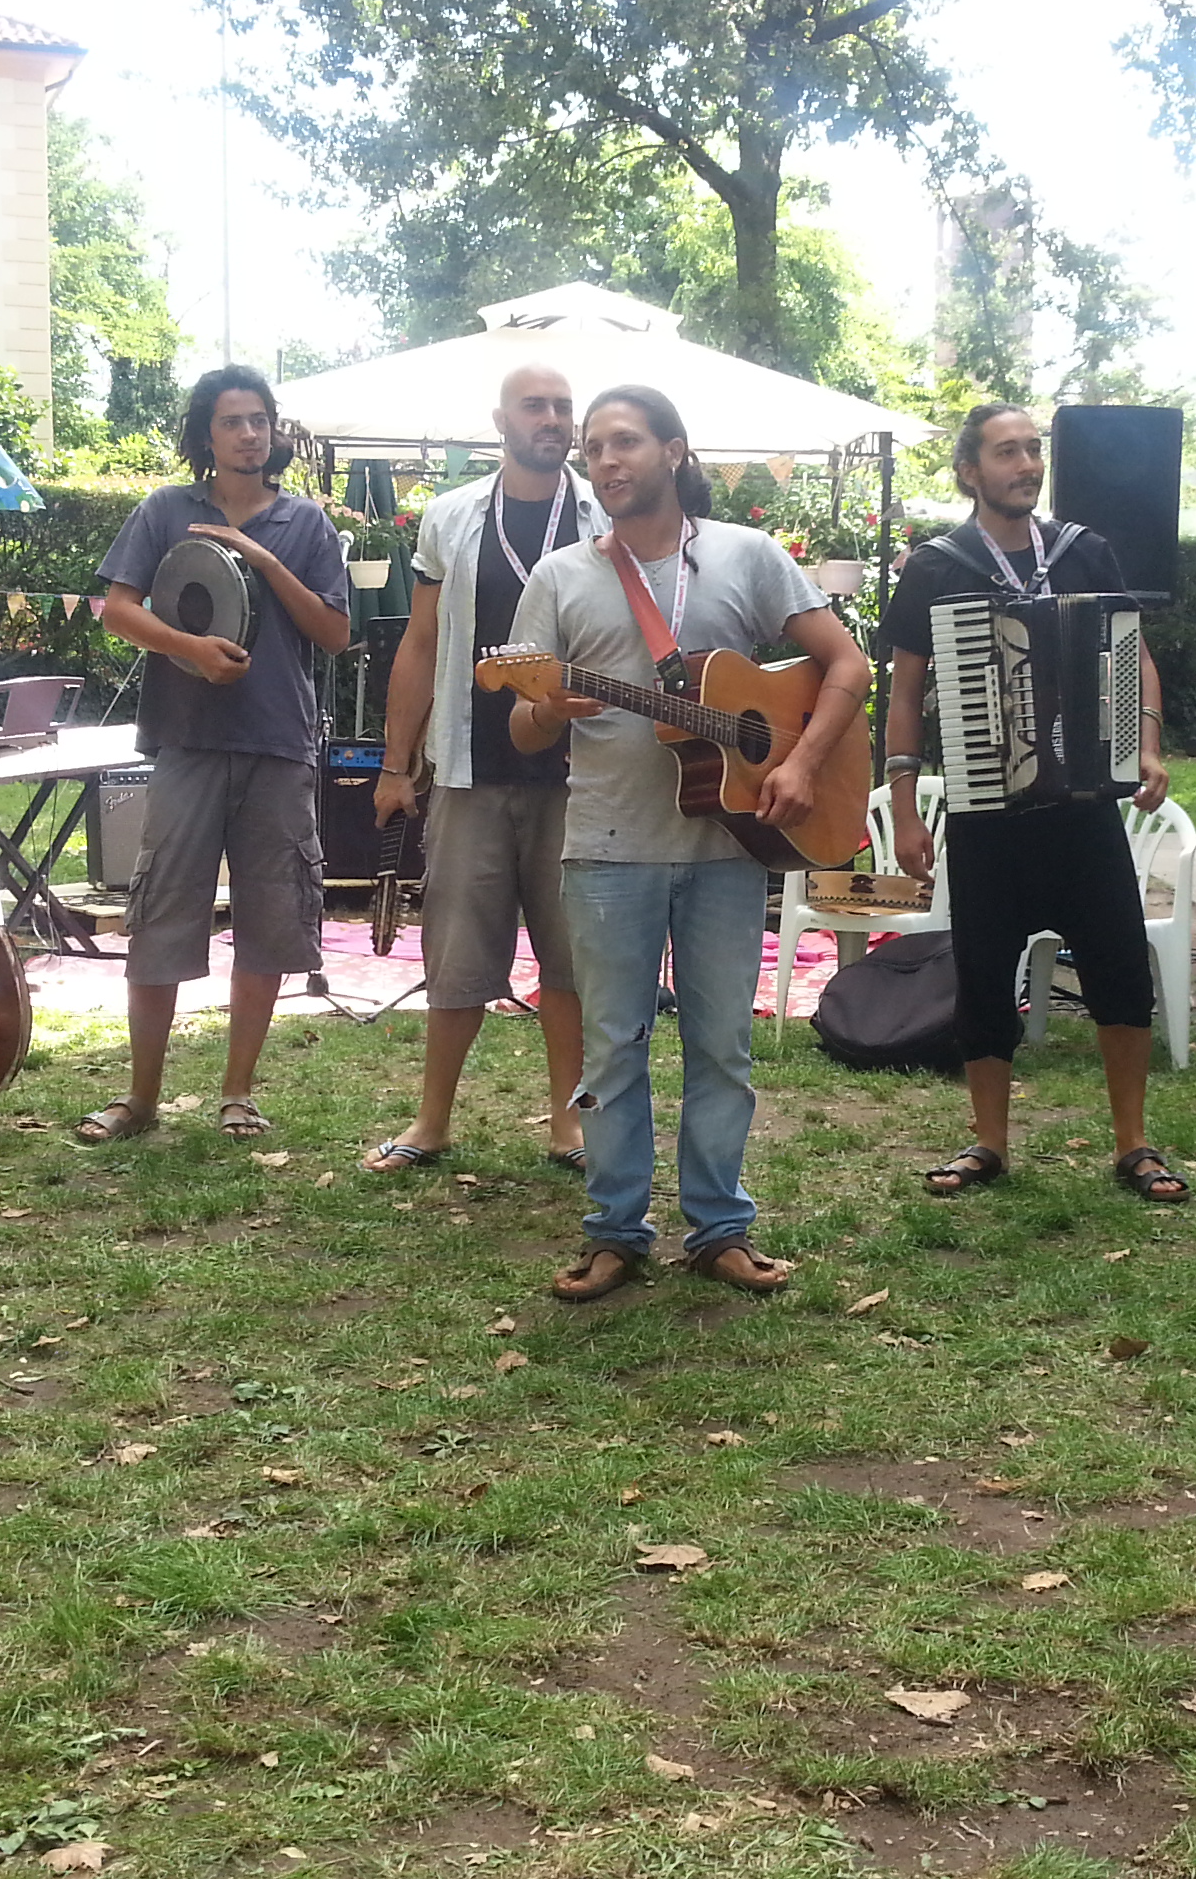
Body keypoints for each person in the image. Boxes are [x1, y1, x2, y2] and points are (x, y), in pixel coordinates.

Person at [506, 385, 870, 1300]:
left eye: (625, 441)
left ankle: (720, 1228)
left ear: (674, 451)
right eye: (594, 447)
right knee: (613, 1046)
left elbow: (848, 666)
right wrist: (546, 705)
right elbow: (520, 727)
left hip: (732, 845)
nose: (607, 459)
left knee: (720, 1048)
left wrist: (797, 763)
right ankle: (614, 1231)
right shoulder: (559, 577)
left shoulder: (747, 556)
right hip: (608, 844)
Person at [877, 401, 1185, 1203]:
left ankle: (1134, 1143)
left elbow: (1134, 656)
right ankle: (989, 1144)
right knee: (982, 977)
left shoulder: (1087, 553)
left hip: (1083, 809)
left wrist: (1146, 741)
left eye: (1032, 450)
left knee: (1120, 969)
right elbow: (905, 695)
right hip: (986, 812)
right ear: (970, 471)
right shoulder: (937, 567)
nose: (1026, 465)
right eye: (1006, 453)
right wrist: (907, 808)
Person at [76, 365, 353, 1143]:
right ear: (207, 434)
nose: (250, 433)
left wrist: (263, 561)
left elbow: (334, 634)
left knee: (269, 920)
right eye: (233, 420)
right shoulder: (167, 511)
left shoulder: (306, 525)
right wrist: (190, 649)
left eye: (260, 419)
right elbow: (119, 612)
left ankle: (238, 1092)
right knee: (162, 915)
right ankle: (141, 1098)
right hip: (188, 742)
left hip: (277, 744)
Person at [364, 364, 603, 1172]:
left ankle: (568, 1123)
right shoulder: (453, 517)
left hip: (583, 775)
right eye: (535, 405)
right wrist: (398, 766)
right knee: (458, 955)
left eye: (563, 406)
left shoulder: (603, 513)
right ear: (498, 416)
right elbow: (421, 644)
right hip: (470, 768)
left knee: (570, 958)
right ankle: (432, 1120)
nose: (552, 418)